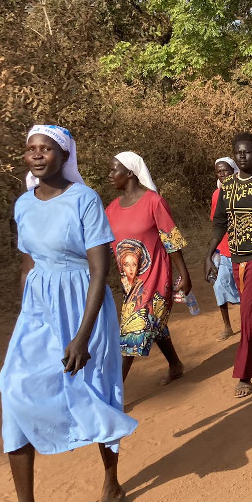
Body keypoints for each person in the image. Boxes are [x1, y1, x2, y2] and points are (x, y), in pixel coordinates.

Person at [0, 125, 139, 502]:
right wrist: (26, 317)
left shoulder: (85, 200)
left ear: (64, 155)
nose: (37, 156)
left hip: (83, 305)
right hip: (38, 310)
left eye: (47, 149)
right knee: (12, 387)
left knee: (95, 389)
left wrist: (82, 335)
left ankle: (111, 483)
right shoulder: (23, 204)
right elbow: (27, 265)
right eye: (31, 149)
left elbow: (100, 271)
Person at [205, 132, 252, 397]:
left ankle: (245, 373)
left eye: (247, 152)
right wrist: (209, 254)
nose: (242, 156)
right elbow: (219, 224)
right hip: (235, 258)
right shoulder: (226, 188)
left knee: (248, 313)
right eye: (238, 152)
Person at [105, 151, 190, 385]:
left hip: (156, 276)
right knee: (154, 325)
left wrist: (184, 274)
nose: (110, 175)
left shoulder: (154, 202)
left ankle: (114, 392)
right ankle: (175, 364)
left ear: (130, 173)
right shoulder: (111, 208)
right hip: (130, 281)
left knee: (135, 327)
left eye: (114, 170)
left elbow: (170, 238)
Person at [210, 157, 241, 339]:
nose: (223, 175)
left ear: (234, 171)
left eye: (226, 171)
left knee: (247, 288)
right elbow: (215, 222)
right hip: (224, 248)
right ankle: (227, 326)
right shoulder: (217, 194)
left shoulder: (244, 191)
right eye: (219, 172)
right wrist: (213, 249)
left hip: (243, 248)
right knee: (219, 284)